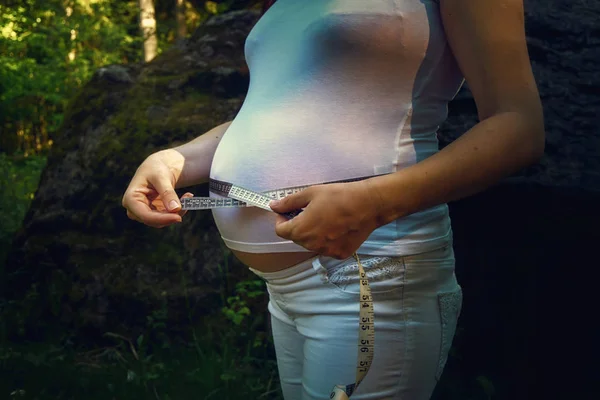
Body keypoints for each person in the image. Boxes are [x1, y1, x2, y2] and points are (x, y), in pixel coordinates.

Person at [122, 0, 545, 398]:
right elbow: (278, 113)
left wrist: (373, 203)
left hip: (376, 266)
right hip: (285, 291)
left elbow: (518, 127)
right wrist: (175, 158)